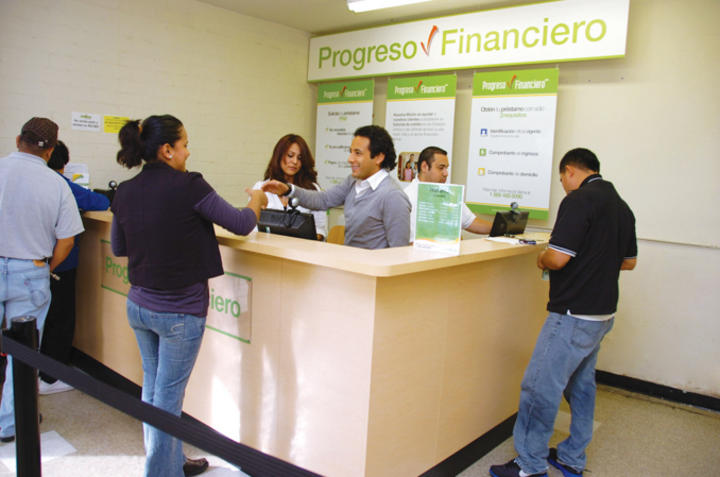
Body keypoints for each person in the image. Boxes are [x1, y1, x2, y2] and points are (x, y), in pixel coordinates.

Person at [110, 114, 267, 477]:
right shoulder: (189, 185)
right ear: (167, 150)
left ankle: (170, 460)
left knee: (153, 390)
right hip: (179, 313)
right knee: (167, 397)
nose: (188, 152)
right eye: (185, 145)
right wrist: (257, 200)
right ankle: (161, 472)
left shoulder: (126, 191)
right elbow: (242, 223)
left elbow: (119, 247)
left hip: (139, 306)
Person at [489, 148, 637, 477]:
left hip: (572, 314)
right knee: (581, 386)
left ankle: (529, 464)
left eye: (562, 179)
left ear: (570, 171)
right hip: (602, 315)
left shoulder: (578, 201)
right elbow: (629, 262)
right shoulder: (622, 206)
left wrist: (541, 258)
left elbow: (557, 259)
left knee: (539, 386)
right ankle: (572, 457)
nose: (564, 186)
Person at [0, 118, 84, 442]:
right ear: (50, 151)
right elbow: (67, 241)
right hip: (31, 272)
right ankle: (10, 423)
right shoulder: (57, 184)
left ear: (18, 139)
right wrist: (46, 267)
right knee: (23, 354)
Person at [37, 141, 110, 395]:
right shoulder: (61, 184)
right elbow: (100, 201)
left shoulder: (29, 181)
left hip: (31, 262)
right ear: (63, 163)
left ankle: (35, 372)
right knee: (60, 319)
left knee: (38, 320)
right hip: (59, 266)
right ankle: (50, 377)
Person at [262, 125, 410, 249]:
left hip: (372, 273)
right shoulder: (353, 181)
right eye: (350, 152)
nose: (350, 159)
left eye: (358, 153)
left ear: (379, 157)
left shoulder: (393, 196)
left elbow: (398, 253)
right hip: (350, 266)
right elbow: (323, 200)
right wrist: (289, 190)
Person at [404, 146, 491, 241]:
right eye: (441, 168)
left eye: (446, 168)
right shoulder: (407, 198)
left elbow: (470, 222)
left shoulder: (448, 193)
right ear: (424, 167)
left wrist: (500, 228)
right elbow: (406, 242)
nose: (446, 173)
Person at [252, 134, 327, 240]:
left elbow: (320, 230)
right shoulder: (261, 187)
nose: (295, 162)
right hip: (267, 247)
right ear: (279, 156)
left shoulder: (313, 190)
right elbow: (252, 228)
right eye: (290, 156)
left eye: (300, 158)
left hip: (301, 249)